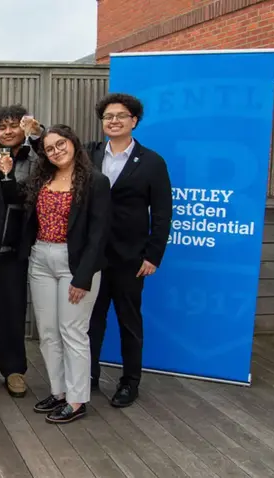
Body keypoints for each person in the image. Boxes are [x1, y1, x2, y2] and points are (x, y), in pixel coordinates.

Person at [5, 124, 110, 423]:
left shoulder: (95, 182)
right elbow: (15, 198)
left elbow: (99, 234)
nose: (56, 151)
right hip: (40, 258)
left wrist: (83, 276)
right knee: (48, 332)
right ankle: (59, 391)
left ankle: (77, 400)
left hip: (75, 263)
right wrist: (6, 172)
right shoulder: (42, 179)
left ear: (73, 143)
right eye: (49, 148)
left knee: (73, 331)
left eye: (61, 144)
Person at [86, 93, 172, 408]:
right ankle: (88, 376)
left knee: (128, 321)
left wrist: (153, 256)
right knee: (90, 321)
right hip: (93, 256)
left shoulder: (152, 162)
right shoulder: (90, 154)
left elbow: (162, 213)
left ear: (133, 121)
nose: (114, 121)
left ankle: (129, 382)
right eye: (108, 116)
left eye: (121, 115)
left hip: (131, 257)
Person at [0, 105, 43, 398]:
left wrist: (37, 136)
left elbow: (22, 196)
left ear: (25, 128)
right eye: (2, 127)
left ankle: (14, 370)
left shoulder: (35, 157)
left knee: (12, 310)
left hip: (13, 244)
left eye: (13, 125)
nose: (7, 132)